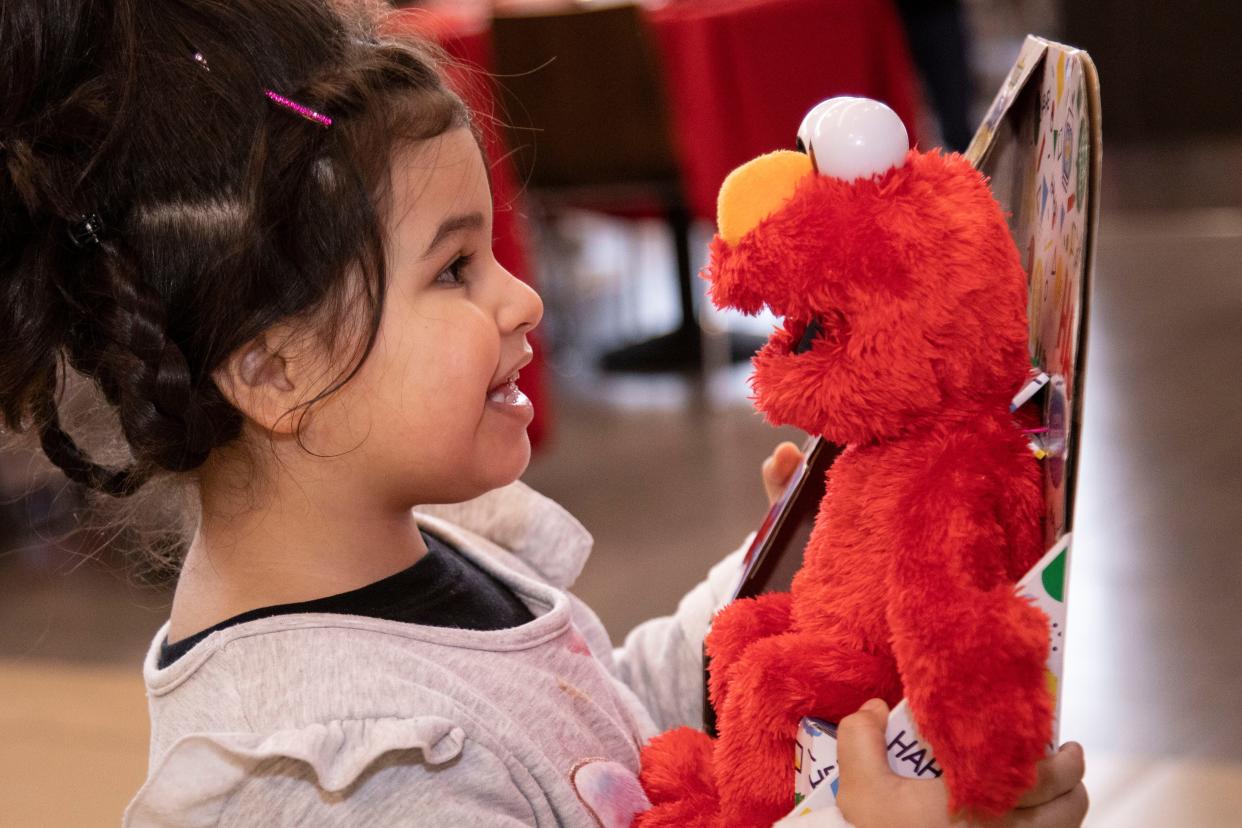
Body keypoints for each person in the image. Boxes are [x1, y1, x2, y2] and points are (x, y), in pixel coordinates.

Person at [0, 1, 1087, 825]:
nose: (521, 298)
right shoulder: (333, 776)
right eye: (455, 269)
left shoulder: (424, 556)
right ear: (276, 370)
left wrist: (796, 568)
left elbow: (600, 727)